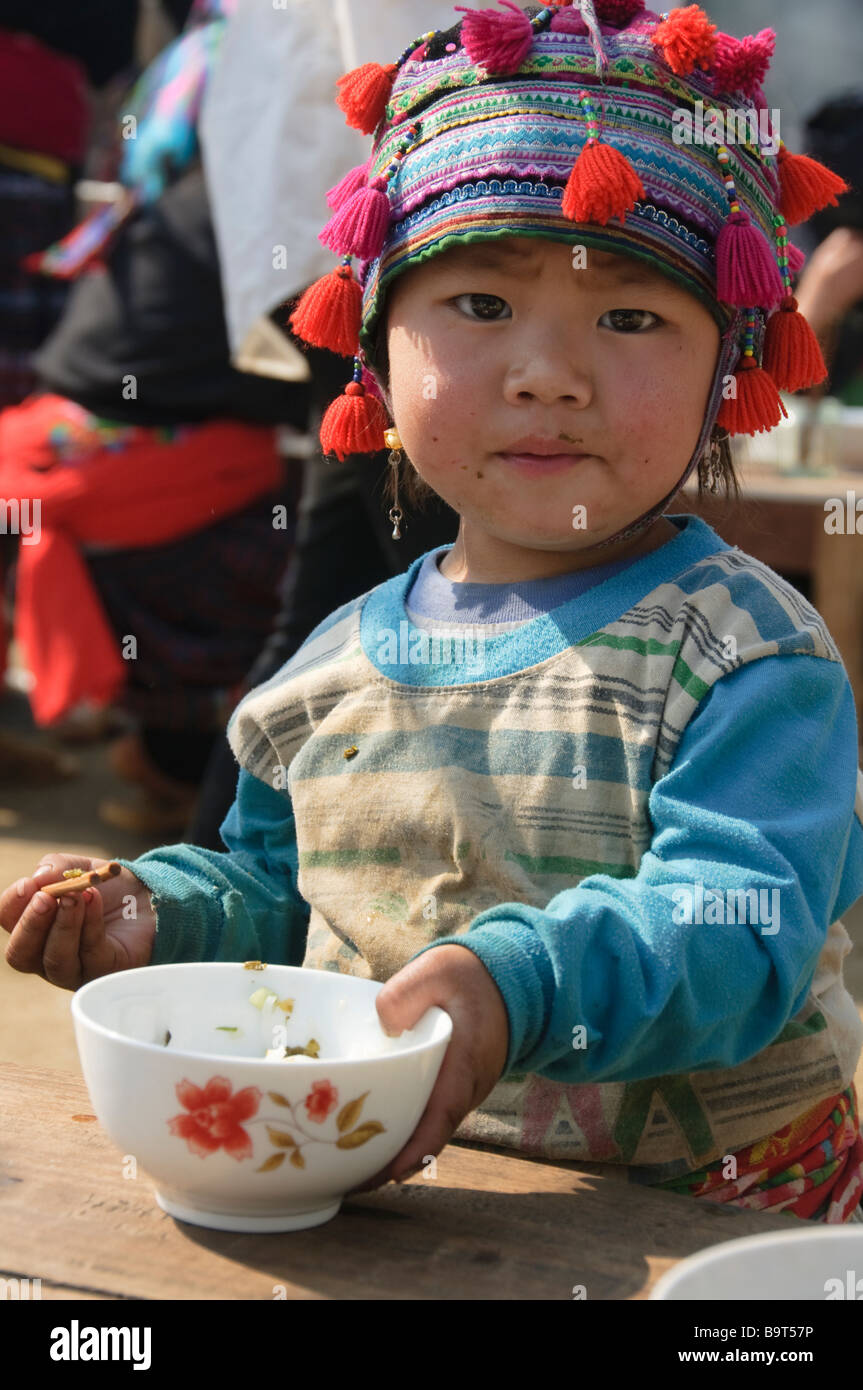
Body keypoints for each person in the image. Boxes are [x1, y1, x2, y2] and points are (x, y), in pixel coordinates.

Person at [3, 0, 863, 1222]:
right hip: (412, 1219)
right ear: (373, 345)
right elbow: (281, 899)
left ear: (726, 364)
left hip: (710, 1232)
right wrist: (158, 912)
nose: (547, 374)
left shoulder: (749, 658)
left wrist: (509, 986)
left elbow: (732, 928)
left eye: (629, 319)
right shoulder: (332, 664)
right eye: (477, 307)